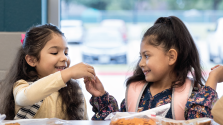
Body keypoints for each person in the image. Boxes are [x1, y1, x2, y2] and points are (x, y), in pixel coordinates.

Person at [84, 16, 218, 120]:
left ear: (171, 57)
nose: (141, 63)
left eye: (147, 56)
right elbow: (114, 119)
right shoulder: (135, 92)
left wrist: (213, 80)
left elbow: (200, 120)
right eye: (140, 56)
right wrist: (101, 96)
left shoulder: (193, 94)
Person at [0, 24, 96, 120]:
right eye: (54, 53)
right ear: (32, 60)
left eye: (66, 53)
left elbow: (83, 121)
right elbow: (25, 98)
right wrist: (67, 73)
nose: (64, 58)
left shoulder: (73, 91)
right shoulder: (22, 85)